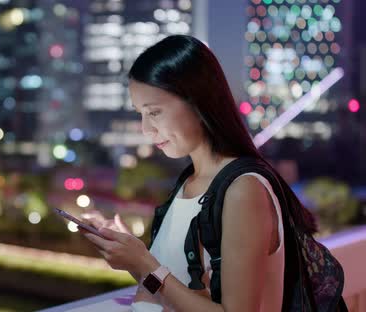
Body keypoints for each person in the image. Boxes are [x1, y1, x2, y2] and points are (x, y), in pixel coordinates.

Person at [79, 35, 318, 311]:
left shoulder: (243, 190)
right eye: (140, 114)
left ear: (197, 102)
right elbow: (175, 293)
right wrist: (134, 256)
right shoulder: (190, 182)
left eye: (154, 112)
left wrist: (144, 262)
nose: (146, 129)